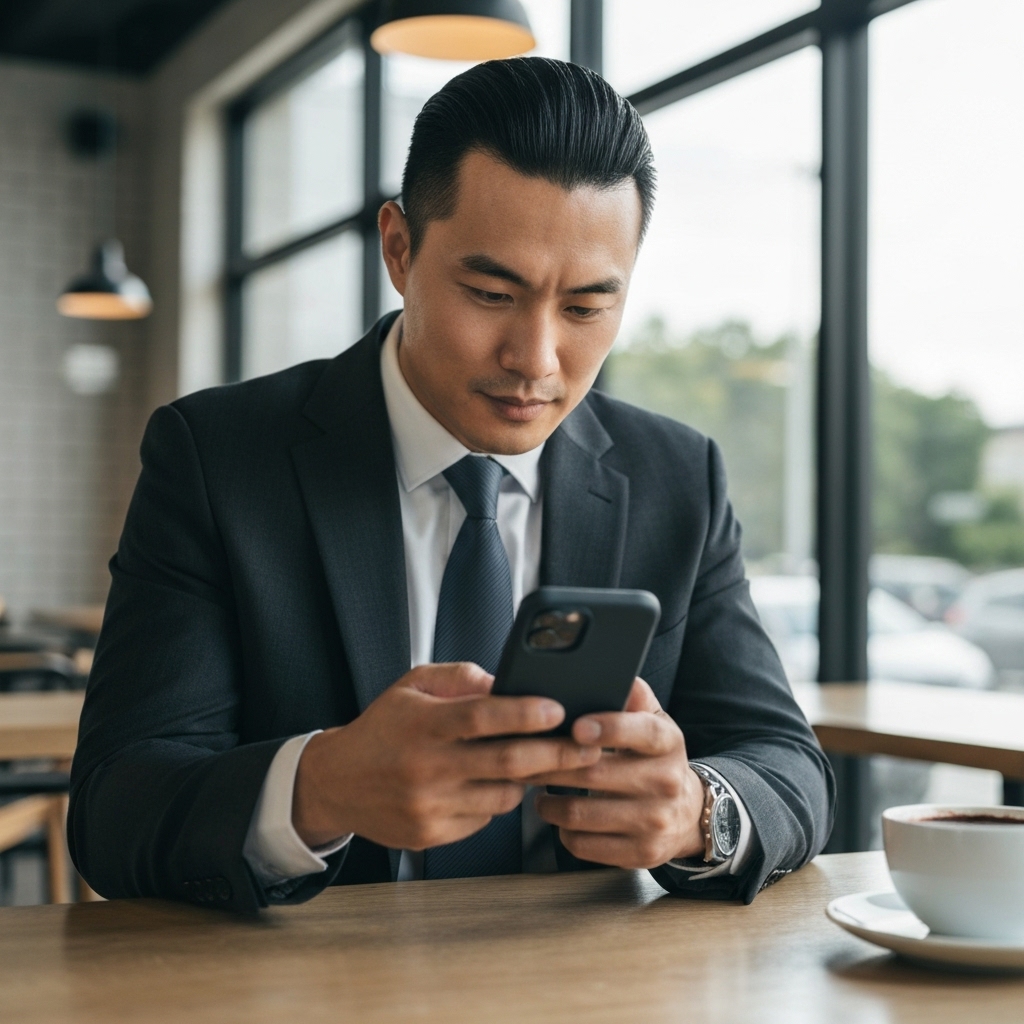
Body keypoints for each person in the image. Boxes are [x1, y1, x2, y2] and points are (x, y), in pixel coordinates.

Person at [68, 57, 833, 913]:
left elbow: (786, 762)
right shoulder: (218, 458)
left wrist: (698, 813)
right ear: (399, 248)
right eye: (490, 292)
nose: (536, 361)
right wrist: (319, 789)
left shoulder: (677, 477)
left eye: (586, 308)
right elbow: (115, 809)